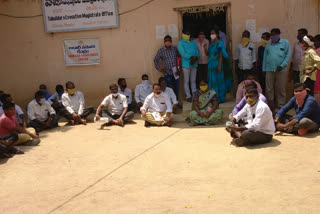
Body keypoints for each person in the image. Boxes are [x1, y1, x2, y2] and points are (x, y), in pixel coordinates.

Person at [263, 28, 290, 112]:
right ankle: (270, 104)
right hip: (269, 69)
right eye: (271, 35)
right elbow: (265, 58)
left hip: (281, 70)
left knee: (280, 88)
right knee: (269, 88)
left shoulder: (285, 43)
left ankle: (280, 105)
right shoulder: (268, 45)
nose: (272, 36)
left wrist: (282, 65)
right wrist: (264, 69)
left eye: (274, 34)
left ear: (278, 35)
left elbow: (287, 55)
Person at [205, 28, 229, 103]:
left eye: (213, 33)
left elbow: (221, 55)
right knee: (212, 81)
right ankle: (213, 98)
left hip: (217, 64)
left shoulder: (220, 43)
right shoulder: (211, 44)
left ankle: (220, 98)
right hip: (211, 65)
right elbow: (208, 54)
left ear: (217, 34)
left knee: (219, 80)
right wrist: (205, 48)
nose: (212, 35)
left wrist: (219, 65)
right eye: (211, 33)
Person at [177, 29, 199, 102]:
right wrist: (191, 57)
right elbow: (183, 54)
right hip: (186, 64)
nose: (187, 35)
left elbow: (196, 51)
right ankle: (188, 96)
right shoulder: (180, 43)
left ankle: (194, 94)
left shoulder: (193, 42)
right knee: (186, 81)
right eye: (186, 34)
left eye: (189, 34)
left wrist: (196, 57)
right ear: (183, 34)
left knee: (193, 80)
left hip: (194, 63)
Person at [313, 34, 320, 104]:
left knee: (317, 91)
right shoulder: (314, 50)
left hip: (318, 72)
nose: (314, 43)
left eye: (316, 41)